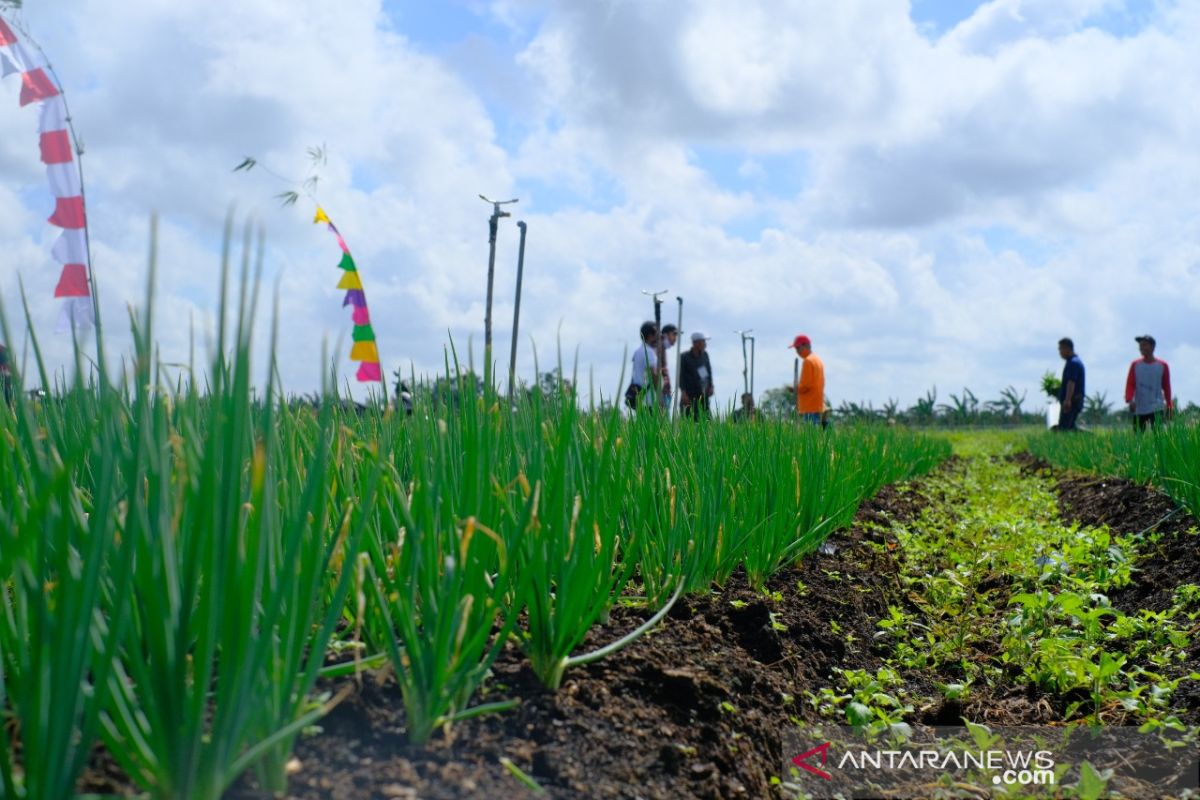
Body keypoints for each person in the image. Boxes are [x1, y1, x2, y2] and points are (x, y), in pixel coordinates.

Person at [1125, 334, 1172, 431]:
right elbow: (1130, 384)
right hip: (1140, 407)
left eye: (1144, 345)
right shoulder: (1135, 365)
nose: (1141, 348)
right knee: (1138, 437)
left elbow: (1166, 386)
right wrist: (1129, 400)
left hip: (1156, 407)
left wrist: (1169, 404)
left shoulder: (1162, 365)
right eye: (1140, 345)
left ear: (1152, 347)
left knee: (1158, 435)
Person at [678, 331, 714, 420]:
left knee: (707, 421)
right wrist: (683, 393)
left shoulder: (705, 355)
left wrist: (711, 385)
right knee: (689, 421)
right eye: (703, 342)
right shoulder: (684, 357)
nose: (705, 344)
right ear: (696, 343)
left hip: (703, 395)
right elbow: (681, 376)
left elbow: (709, 372)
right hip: (689, 396)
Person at [625, 321, 661, 412]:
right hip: (648, 398)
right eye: (656, 334)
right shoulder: (648, 351)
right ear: (650, 336)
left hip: (639, 396)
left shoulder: (638, 351)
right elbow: (653, 373)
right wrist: (660, 395)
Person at [791, 334, 825, 425]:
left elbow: (805, 386)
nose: (797, 351)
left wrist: (794, 388)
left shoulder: (808, 361)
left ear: (805, 345)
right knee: (816, 435)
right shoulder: (818, 360)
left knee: (810, 436)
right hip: (817, 404)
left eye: (798, 348)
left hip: (809, 406)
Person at [1056, 338, 1085, 431]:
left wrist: (1067, 400)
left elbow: (1071, 382)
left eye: (1060, 349)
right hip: (1073, 400)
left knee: (1064, 429)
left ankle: (1093, 438)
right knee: (1071, 427)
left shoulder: (1073, 363)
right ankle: (1092, 438)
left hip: (1072, 401)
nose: (1059, 352)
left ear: (1067, 348)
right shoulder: (1073, 362)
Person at [660, 324, 678, 409]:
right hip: (660, 393)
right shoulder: (658, 348)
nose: (675, 338)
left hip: (665, 392)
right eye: (674, 334)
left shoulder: (662, 348)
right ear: (666, 335)